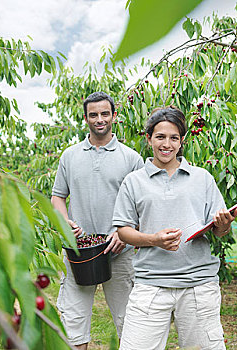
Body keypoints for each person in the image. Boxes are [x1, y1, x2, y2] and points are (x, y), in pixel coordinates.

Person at [112, 106, 237, 350]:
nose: (166, 144)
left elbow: (220, 231)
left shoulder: (202, 178)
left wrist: (223, 225)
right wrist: (154, 239)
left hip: (198, 286)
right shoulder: (134, 181)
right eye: (160, 137)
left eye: (174, 138)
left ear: (182, 142)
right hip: (150, 285)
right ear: (148, 139)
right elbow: (123, 231)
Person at [51, 91, 144, 349]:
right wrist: (65, 222)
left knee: (130, 322)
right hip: (79, 250)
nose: (99, 119)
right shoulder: (70, 156)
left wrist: (126, 231)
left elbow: (143, 205)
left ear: (114, 116)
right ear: (86, 119)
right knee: (74, 322)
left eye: (105, 114)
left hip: (119, 250)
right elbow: (57, 197)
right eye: (93, 115)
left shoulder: (131, 158)